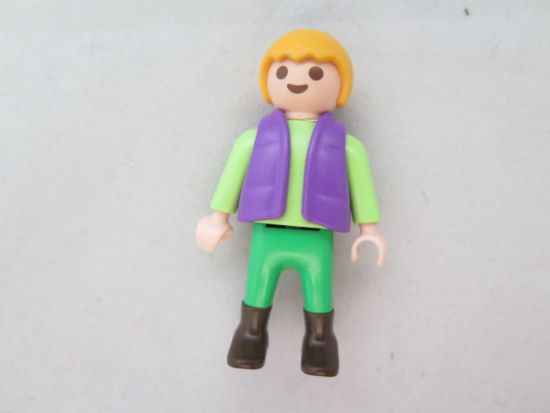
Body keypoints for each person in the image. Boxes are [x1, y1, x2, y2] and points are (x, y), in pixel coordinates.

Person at [196, 29, 387, 377]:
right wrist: (217, 217)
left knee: (319, 294)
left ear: (341, 86)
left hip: (317, 237)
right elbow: (232, 176)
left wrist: (369, 229)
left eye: (315, 73)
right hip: (267, 234)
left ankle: (319, 344)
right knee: (257, 289)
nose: (297, 81)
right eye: (282, 71)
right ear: (268, 81)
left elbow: (361, 184)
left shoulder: (347, 147)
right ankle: (250, 336)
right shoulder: (252, 140)